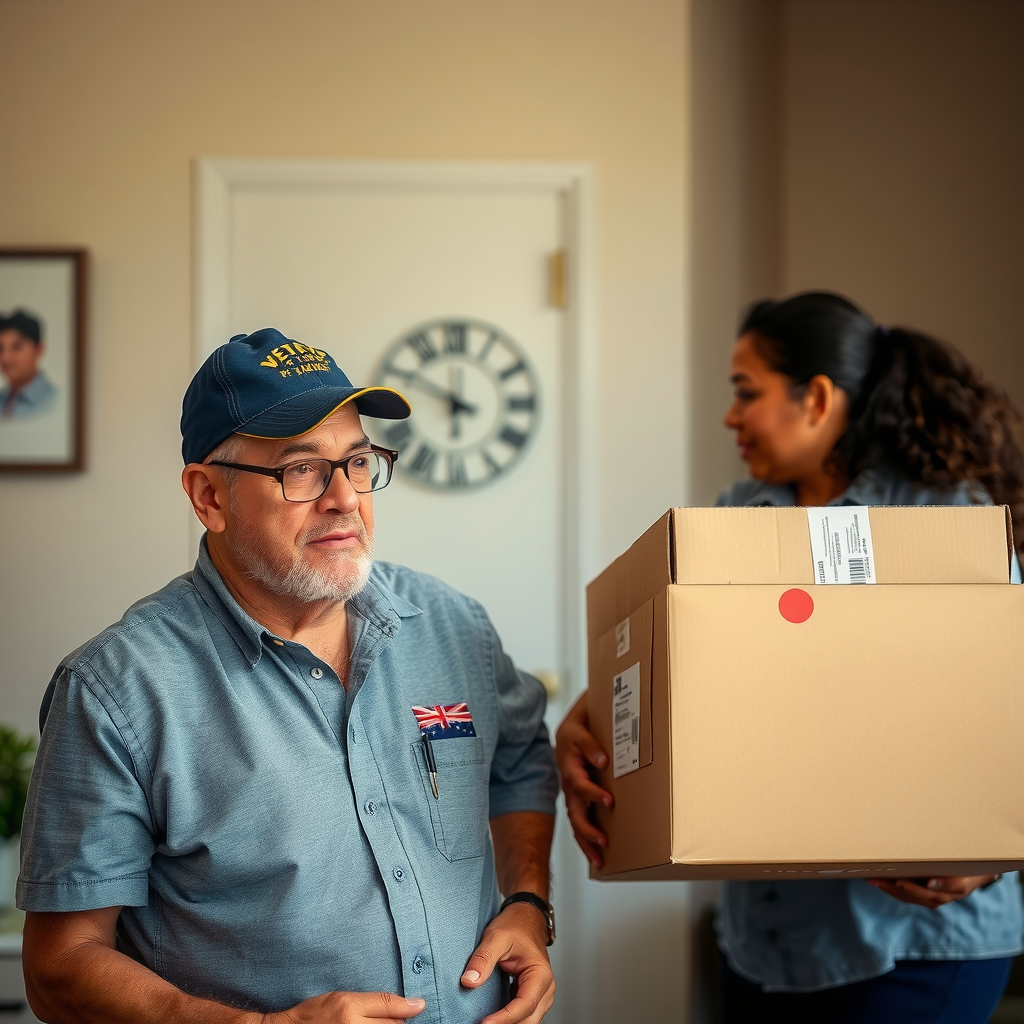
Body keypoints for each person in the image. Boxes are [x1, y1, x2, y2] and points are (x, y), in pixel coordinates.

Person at [18, 328, 559, 1024]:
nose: (344, 498)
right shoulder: (116, 689)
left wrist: (527, 904)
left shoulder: (453, 627)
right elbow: (59, 965)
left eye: (358, 461)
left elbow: (519, 760)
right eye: (301, 470)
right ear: (208, 496)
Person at [556, 292, 1024, 1024]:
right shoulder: (738, 514)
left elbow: (1004, 712)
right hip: (762, 947)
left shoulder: (944, 518)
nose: (730, 416)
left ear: (818, 398)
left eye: (747, 392)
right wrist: (582, 723)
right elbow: (691, 672)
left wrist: (990, 850)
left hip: (916, 949)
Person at [0, 309, 57, 419]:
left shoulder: (54, 401)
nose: (6, 358)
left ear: (39, 349)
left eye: (16, 347)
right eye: (1, 349)